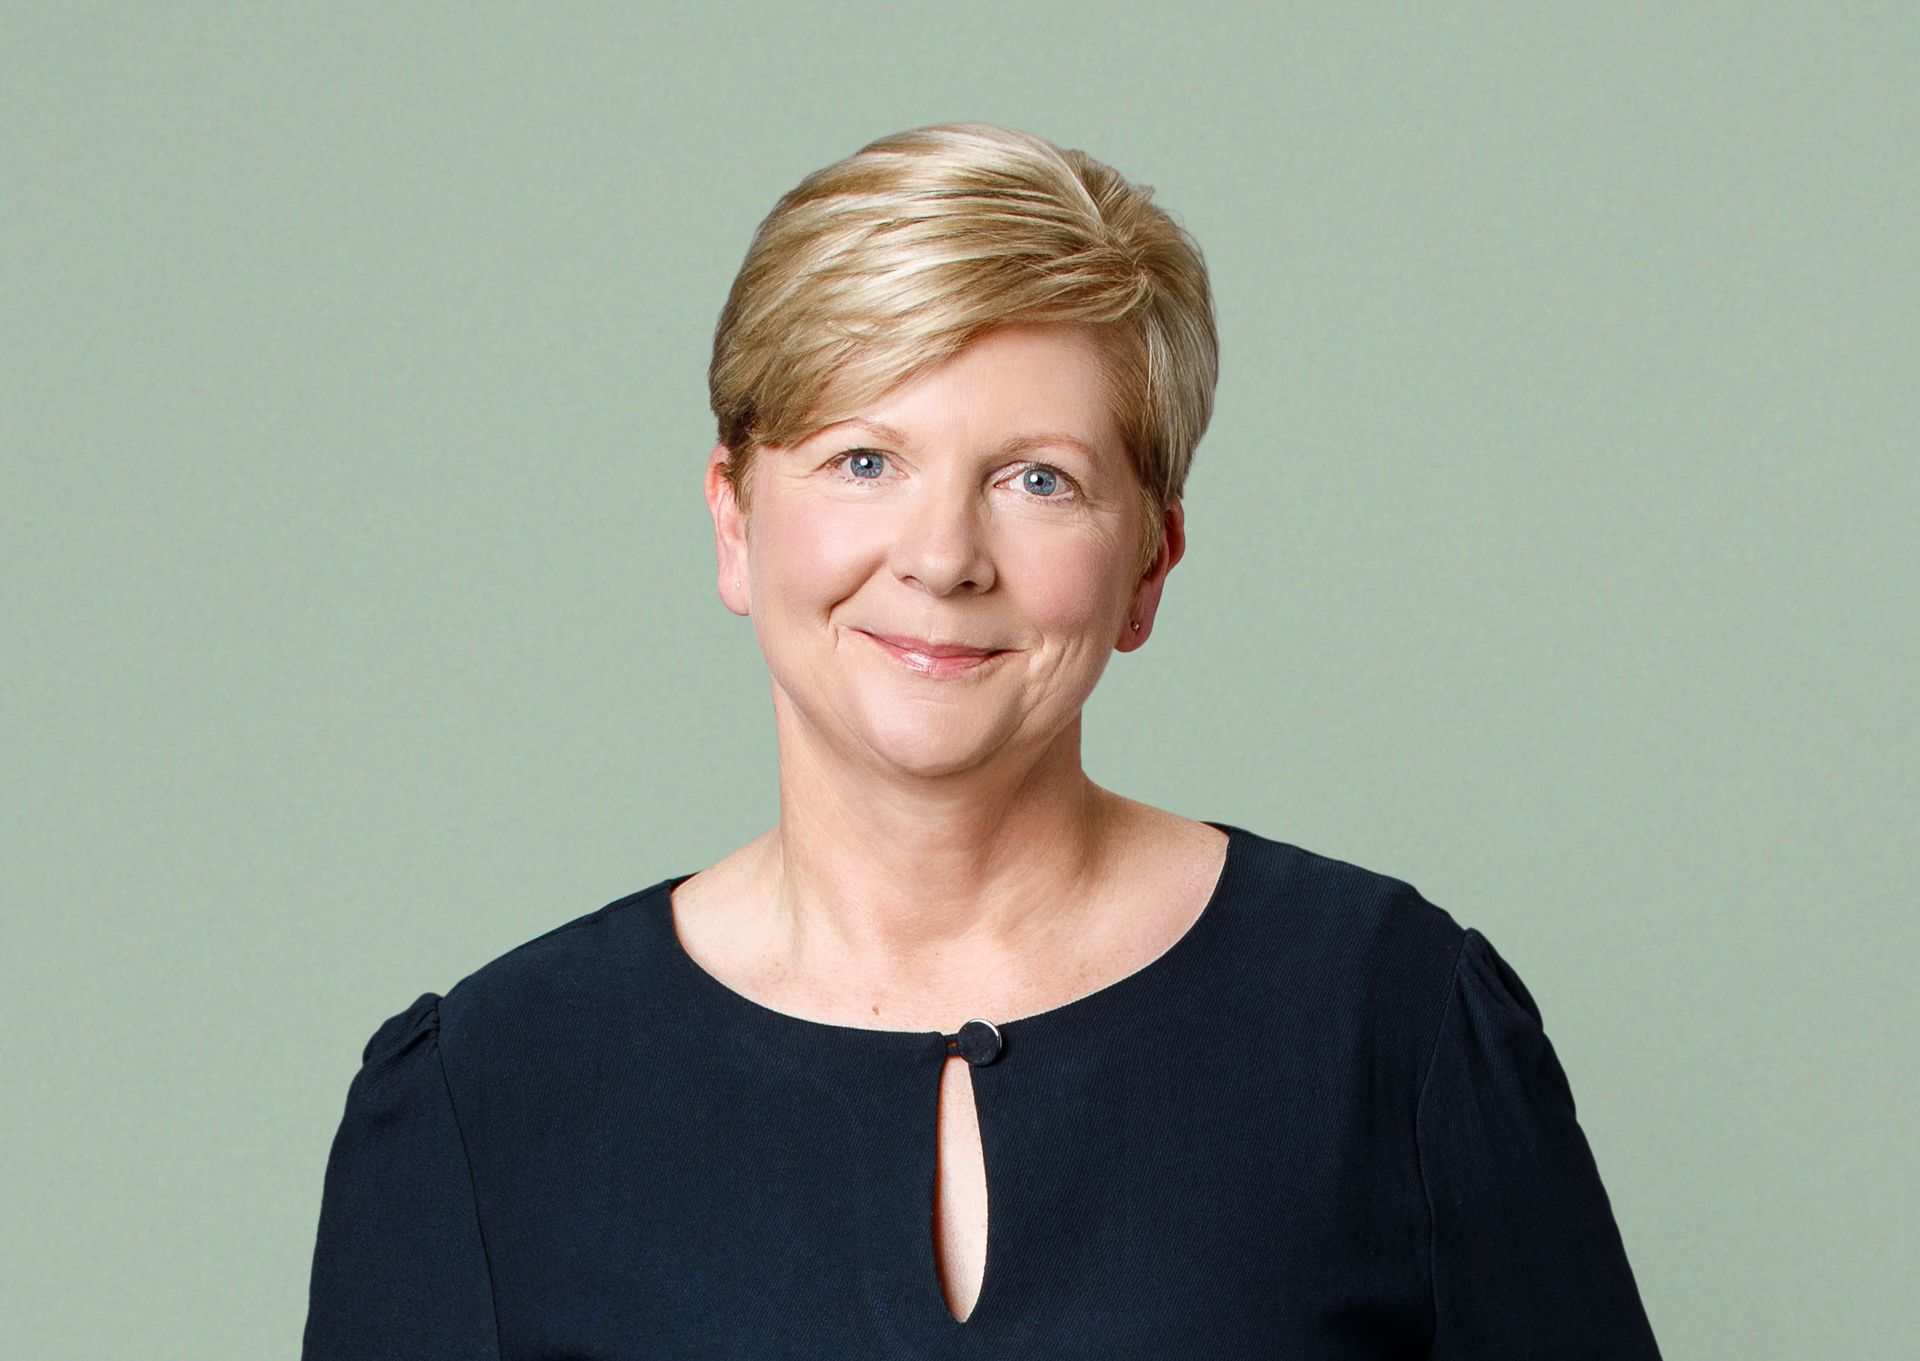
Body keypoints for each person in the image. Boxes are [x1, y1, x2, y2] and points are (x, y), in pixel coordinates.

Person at [301, 122, 1663, 1357]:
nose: (945, 556)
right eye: (864, 459)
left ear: (1150, 561)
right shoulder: (492, 1095)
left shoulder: (1394, 1024)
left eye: (1037, 479)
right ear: (733, 516)